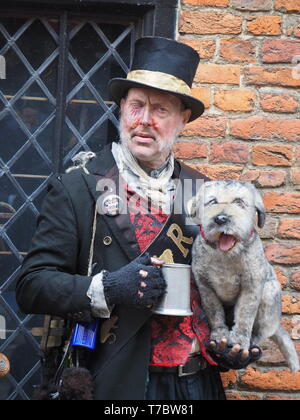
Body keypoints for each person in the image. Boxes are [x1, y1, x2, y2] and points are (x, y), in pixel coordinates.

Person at [16, 37, 260, 401]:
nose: (144, 120)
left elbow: (228, 287)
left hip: (194, 383)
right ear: (122, 109)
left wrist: (230, 343)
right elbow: (32, 287)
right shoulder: (78, 187)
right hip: (112, 381)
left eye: (160, 109)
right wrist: (109, 287)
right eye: (137, 106)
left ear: (183, 119)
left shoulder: (208, 195)